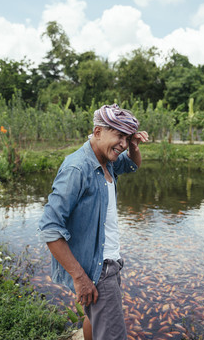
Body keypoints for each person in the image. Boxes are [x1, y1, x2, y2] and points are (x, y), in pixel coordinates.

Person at [38, 104, 148, 340]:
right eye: (119, 135)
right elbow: (50, 228)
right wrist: (81, 278)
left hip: (109, 260)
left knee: (93, 316)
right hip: (98, 270)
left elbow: (132, 165)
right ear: (98, 131)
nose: (123, 143)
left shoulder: (107, 159)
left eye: (127, 137)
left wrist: (134, 147)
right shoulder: (77, 168)